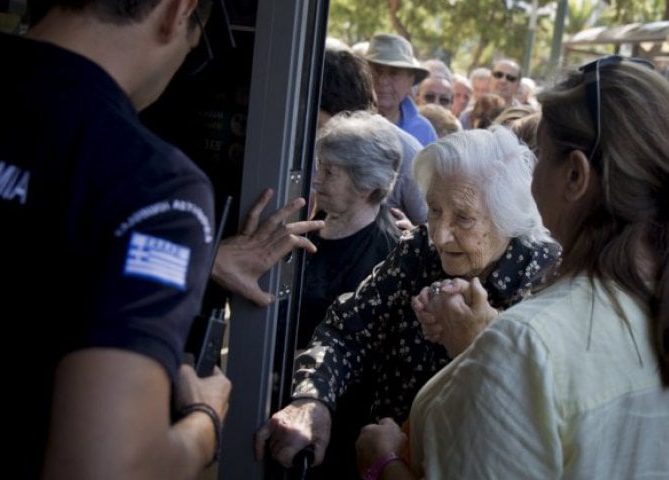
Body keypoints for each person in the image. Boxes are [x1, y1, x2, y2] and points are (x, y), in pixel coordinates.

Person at [0, 1, 323, 477]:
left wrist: (198, 262)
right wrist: (205, 420)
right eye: (198, 33)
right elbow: (107, 468)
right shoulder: (155, 188)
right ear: (176, 10)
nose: (189, 51)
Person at [356, 56, 669, 479]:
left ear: (574, 175)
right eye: (434, 212)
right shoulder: (644, 303)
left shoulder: (525, 345)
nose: (441, 235)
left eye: (540, 157)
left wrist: (383, 462)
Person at [255, 126, 561, 477]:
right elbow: (345, 331)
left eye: (463, 217)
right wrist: (313, 399)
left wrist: (482, 341)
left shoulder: (546, 280)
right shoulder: (420, 250)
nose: (441, 235)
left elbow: (529, 417)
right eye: (433, 209)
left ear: (509, 217)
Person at [299, 110, 402, 349]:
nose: (316, 180)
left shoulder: (386, 254)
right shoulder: (320, 219)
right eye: (320, 167)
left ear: (365, 185)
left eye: (330, 172)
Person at [319, 46, 428, 225]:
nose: (318, 179)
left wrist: (413, 238)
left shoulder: (405, 151)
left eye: (321, 127)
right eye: (377, 71)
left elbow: (431, 227)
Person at [364, 33, 438, 146]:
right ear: (364, 74)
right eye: (377, 71)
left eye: (394, 73)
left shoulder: (423, 131)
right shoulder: (346, 120)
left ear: (410, 81)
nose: (383, 81)